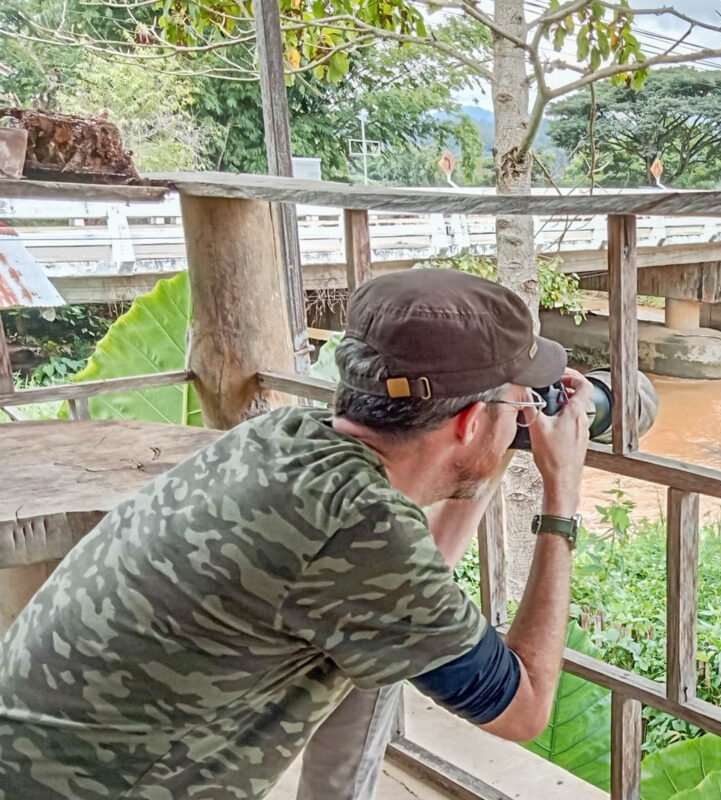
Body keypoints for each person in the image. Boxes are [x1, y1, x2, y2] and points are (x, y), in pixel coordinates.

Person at [0, 269, 590, 799]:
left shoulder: (282, 436)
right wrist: (561, 488)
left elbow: (409, 588)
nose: (527, 414)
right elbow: (527, 708)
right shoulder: (360, 531)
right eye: (519, 403)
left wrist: (497, 441)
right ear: (465, 423)